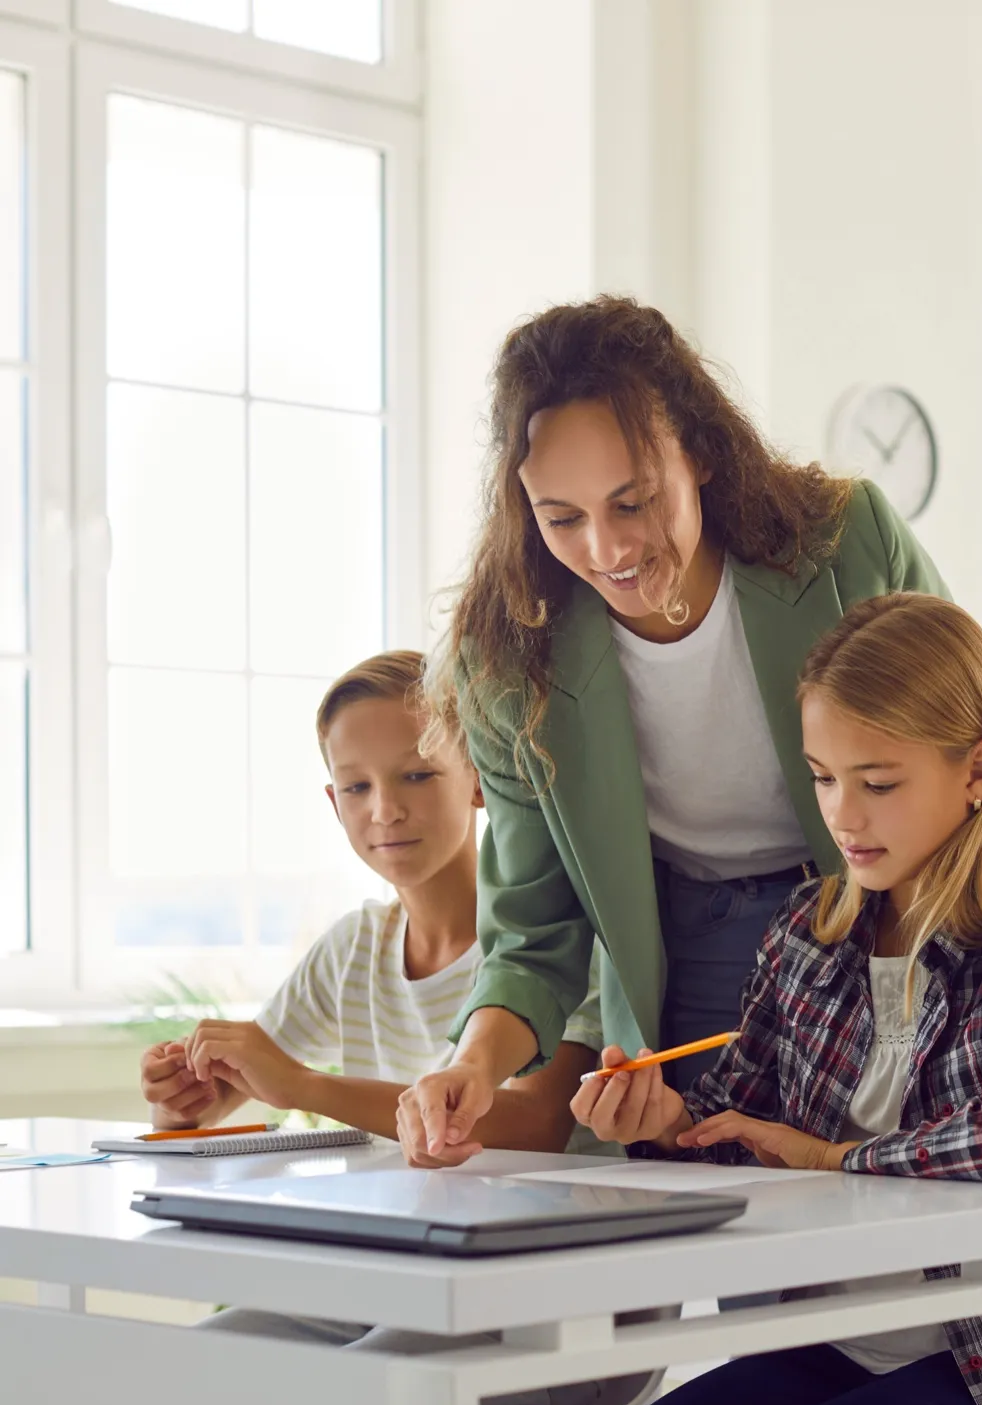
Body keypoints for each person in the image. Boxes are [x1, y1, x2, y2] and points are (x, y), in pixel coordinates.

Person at [566, 594, 982, 1405]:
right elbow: (737, 1134)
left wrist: (829, 1156)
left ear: (977, 771)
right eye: (822, 776)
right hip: (838, 1341)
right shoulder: (810, 930)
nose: (843, 814)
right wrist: (660, 1124)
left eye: (878, 782)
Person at [395, 296, 948, 1166]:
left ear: (697, 450)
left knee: (884, 1215)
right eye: (561, 516)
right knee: (729, 1249)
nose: (608, 548)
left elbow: (967, 745)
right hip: (685, 948)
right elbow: (534, 935)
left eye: (634, 501)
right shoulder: (508, 662)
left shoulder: (846, 546)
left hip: (886, 916)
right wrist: (472, 1065)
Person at [137, 651, 623, 1405]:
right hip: (398, 1284)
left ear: (481, 779)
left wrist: (301, 1086)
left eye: (416, 775)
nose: (384, 809)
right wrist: (182, 1105)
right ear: (333, 803)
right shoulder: (355, 945)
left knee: (342, 1398)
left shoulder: (555, 946)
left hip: (556, 1304)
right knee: (192, 1372)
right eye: (357, 786)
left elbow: (533, 1124)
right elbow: (226, 1094)